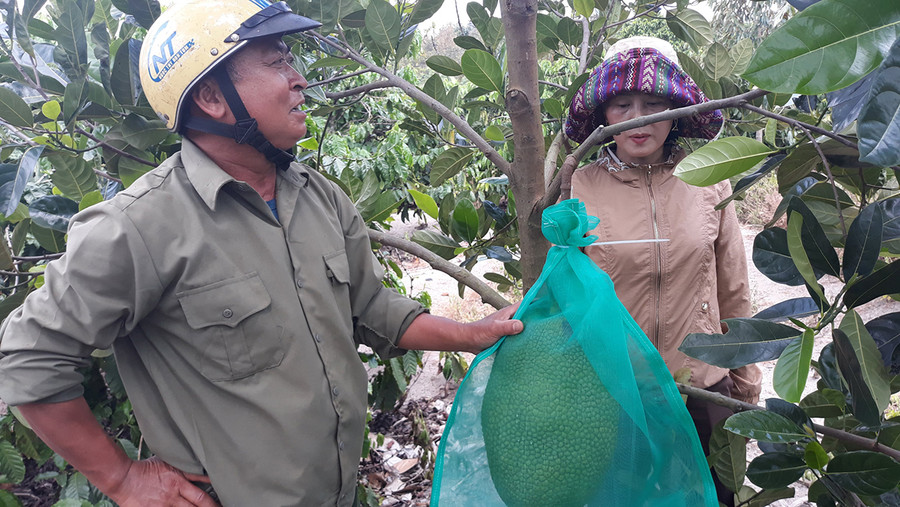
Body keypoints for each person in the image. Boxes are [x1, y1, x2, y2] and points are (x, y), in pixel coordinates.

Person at [0, 1, 521, 506]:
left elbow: (371, 309)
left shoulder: (319, 197)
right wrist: (122, 480)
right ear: (212, 98)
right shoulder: (137, 228)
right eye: (276, 62)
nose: (299, 80)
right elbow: (28, 358)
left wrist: (471, 334)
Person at [563, 36, 762, 506]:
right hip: (619, 393)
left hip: (703, 388)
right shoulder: (580, 185)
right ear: (602, 115)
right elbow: (569, 294)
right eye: (622, 104)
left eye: (653, 103)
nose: (638, 119)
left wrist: (746, 379)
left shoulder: (709, 179)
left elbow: (733, 286)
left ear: (674, 111)